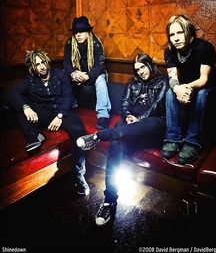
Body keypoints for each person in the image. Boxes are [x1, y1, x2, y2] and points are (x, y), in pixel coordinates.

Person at [76, 52, 169, 226]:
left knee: (151, 123)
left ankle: (98, 136)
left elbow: (157, 106)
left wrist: (138, 120)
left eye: (143, 67)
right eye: (137, 69)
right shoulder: (132, 83)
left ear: (150, 65)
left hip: (152, 127)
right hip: (129, 129)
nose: (140, 71)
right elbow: (124, 104)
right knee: (117, 141)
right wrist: (128, 117)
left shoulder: (163, 82)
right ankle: (109, 201)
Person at [9, 49, 90, 195]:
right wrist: (26, 107)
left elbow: (68, 97)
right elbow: (13, 93)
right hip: (44, 113)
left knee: (78, 131)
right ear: (33, 67)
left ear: (47, 61)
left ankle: (79, 175)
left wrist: (59, 116)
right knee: (20, 106)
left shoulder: (60, 74)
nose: (42, 67)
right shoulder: (30, 80)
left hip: (62, 112)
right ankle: (34, 136)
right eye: (37, 64)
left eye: (43, 62)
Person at [160, 14, 216, 164]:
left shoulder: (204, 48)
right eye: (172, 34)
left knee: (201, 94)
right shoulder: (170, 51)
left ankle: (192, 142)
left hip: (205, 88)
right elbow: (172, 77)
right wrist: (177, 89)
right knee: (169, 93)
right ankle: (172, 138)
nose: (176, 38)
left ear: (189, 32)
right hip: (184, 85)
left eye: (179, 32)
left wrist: (184, 88)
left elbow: (203, 79)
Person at [63, 16, 111, 130]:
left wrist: (87, 76)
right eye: (75, 32)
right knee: (63, 75)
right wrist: (73, 74)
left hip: (92, 74)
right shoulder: (70, 43)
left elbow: (100, 66)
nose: (78, 35)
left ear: (88, 31)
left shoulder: (96, 43)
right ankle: (66, 108)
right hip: (77, 74)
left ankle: (103, 115)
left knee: (100, 79)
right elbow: (66, 63)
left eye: (81, 31)